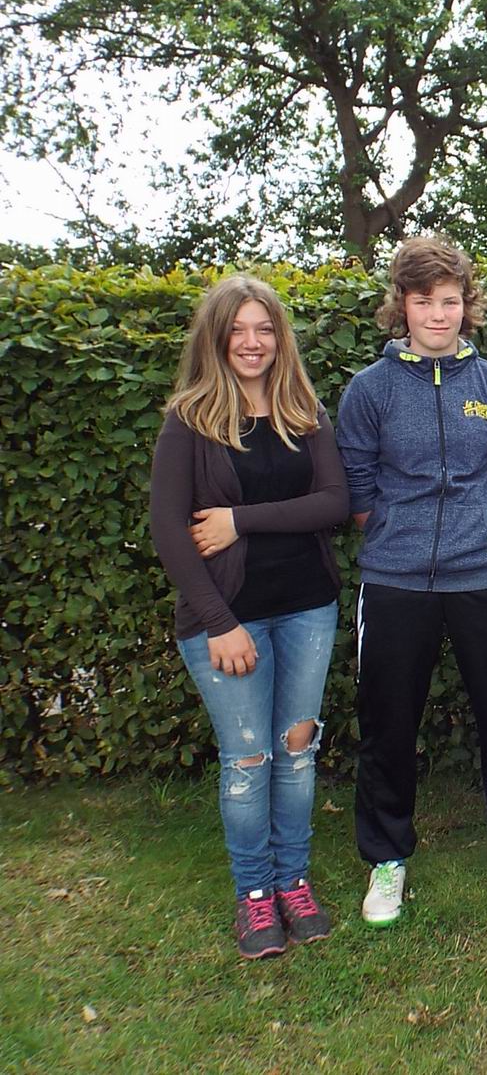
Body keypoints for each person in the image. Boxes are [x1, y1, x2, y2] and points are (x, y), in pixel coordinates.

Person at [336, 236, 487, 927]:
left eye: (449, 301)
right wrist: (399, 533)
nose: (437, 314)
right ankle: (386, 859)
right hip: (396, 579)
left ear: (466, 305)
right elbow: (358, 484)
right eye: (424, 301)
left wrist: (481, 530)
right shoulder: (369, 390)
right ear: (402, 305)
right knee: (387, 722)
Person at [150, 275, 348, 959]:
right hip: (227, 618)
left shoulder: (303, 411)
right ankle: (255, 894)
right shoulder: (189, 419)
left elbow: (333, 502)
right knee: (247, 758)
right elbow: (170, 530)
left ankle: (293, 881)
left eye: (264, 328)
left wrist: (239, 520)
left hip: (306, 609)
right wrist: (218, 622)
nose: (252, 342)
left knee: (296, 752)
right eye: (237, 329)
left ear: (279, 337)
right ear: (216, 338)